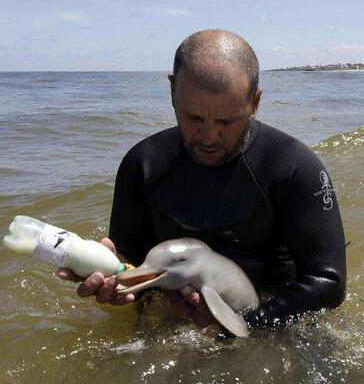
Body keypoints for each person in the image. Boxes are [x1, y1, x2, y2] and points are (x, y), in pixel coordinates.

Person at [58, 29, 346, 329]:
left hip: (269, 321)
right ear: (172, 91)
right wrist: (112, 276)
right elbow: (131, 264)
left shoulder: (294, 167)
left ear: (255, 103)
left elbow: (328, 282)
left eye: (226, 121)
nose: (208, 137)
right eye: (193, 118)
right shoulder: (143, 164)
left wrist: (246, 325)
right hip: (176, 320)